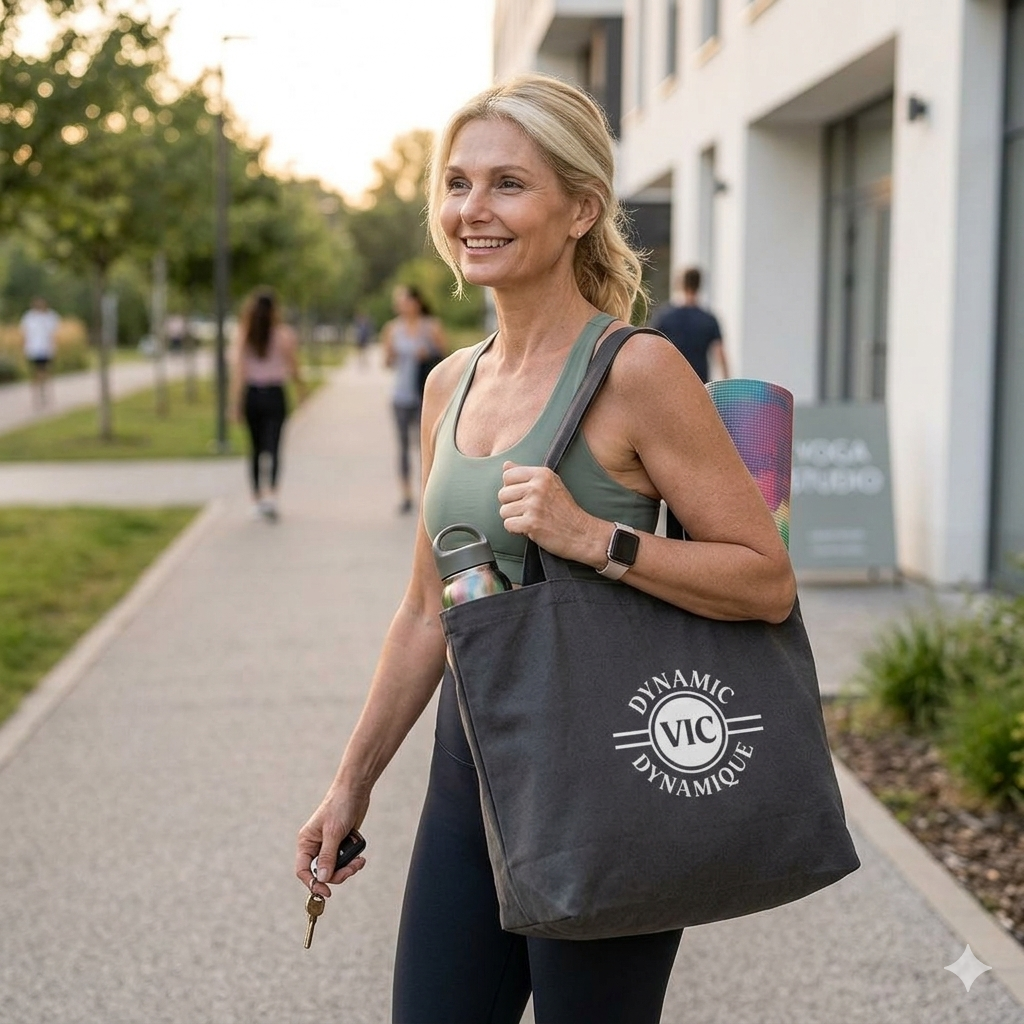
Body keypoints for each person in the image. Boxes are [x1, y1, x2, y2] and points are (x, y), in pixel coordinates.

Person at [295, 74, 795, 1024]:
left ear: (582, 210)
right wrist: (349, 785)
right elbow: (423, 611)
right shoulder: (450, 383)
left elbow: (765, 581)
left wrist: (595, 538)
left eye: (507, 185)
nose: (471, 210)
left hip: (600, 767)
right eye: (456, 183)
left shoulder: (639, 371)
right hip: (469, 764)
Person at [229, 288, 303, 522]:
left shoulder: (243, 334)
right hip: (274, 395)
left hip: (252, 395)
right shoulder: (283, 335)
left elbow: (239, 373)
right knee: (274, 446)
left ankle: (257, 498)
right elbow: (293, 368)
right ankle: (271, 495)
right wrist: (302, 391)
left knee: (255, 448)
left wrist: (235, 403)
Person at [380, 285, 447, 514]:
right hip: (400, 396)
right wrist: (391, 354)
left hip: (425, 397)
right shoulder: (392, 329)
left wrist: (429, 354)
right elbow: (386, 363)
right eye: (397, 301)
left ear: (416, 302)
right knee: (402, 447)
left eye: (404, 300)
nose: (400, 305)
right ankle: (406, 494)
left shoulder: (431, 327)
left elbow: (448, 361)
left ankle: (428, 494)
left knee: (427, 448)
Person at [650, 266, 730, 383]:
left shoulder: (664, 317)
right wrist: (726, 384)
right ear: (699, 286)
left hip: (670, 381)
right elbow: (720, 355)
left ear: (678, 284)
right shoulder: (708, 319)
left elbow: (653, 350)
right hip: (699, 383)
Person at [19, 297, 60, 408]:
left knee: (45, 372)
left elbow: (53, 334)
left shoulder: (49, 316)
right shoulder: (29, 318)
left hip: (46, 349)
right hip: (34, 350)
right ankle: (38, 395)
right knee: (37, 372)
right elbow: (24, 334)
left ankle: (45, 393)